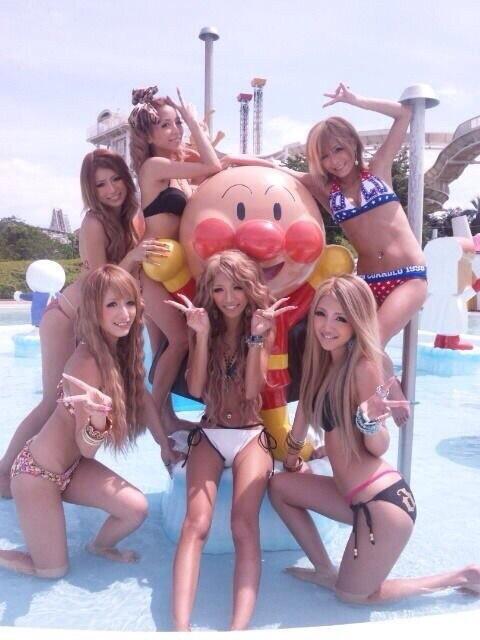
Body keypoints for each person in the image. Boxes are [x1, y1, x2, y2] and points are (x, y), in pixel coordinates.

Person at [268, 274, 480, 603]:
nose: (327, 326)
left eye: (341, 318)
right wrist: (294, 459)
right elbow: (302, 420)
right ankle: (324, 568)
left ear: (357, 322)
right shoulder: (322, 364)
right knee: (280, 486)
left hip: (381, 504)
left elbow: (379, 445)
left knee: (352, 597)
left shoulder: (363, 368)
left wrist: (368, 422)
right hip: (352, 497)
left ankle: (460, 576)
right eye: (321, 314)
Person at [222, 83, 426, 423]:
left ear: (352, 145)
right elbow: (276, 168)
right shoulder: (326, 190)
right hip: (367, 282)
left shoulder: (378, 169)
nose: (335, 161)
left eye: (338, 149)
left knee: (370, 341)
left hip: (407, 276)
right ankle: (387, 392)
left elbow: (403, 115)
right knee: (354, 344)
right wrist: (232, 160)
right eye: (326, 156)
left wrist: (356, 99)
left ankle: (385, 402)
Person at [0, 149, 161, 498]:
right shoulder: (93, 222)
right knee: (52, 401)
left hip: (96, 321)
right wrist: (133, 257)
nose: (111, 189)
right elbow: (99, 284)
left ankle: (61, 466)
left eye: (115, 179)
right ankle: (4, 473)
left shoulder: (131, 216)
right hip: (67, 318)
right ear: (91, 190)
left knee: (92, 399)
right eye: (100, 184)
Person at [0, 265, 179, 578]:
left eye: (129, 303)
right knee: (51, 571)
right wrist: (99, 421)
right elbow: (86, 448)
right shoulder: (86, 362)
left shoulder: (123, 349)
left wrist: (164, 445)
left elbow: (144, 398)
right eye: (112, 304)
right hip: (36, 475)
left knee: (135, 510)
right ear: (95, 311)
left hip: (72, 470)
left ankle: (99, 546)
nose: (124, 313)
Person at [165, 250, 294, 631]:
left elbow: (254, 389)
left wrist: (256, 337)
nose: (229, 298)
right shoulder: (202, 325)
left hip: (250, 436)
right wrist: (202, 336)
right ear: (210, 292)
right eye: (219, 289)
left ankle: (238, 630)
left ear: (250, 288)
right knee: (195, 524)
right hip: (209, 432)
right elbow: (196, 389)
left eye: (237, 288)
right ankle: (180, 628)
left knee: (243, 525)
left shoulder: (262, 326)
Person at [128, 86, 222, 431]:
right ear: (148, 136)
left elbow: (218, 169)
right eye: (165, 125)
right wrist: (194, 121)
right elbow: (212, 164)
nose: (175, 130)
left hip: (172, 265)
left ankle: (166, 418)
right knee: (180, 339)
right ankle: (155, 421)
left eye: (177, 122)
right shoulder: (155, 166)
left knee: (164, 346)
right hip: (152, 269)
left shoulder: (175, 169)